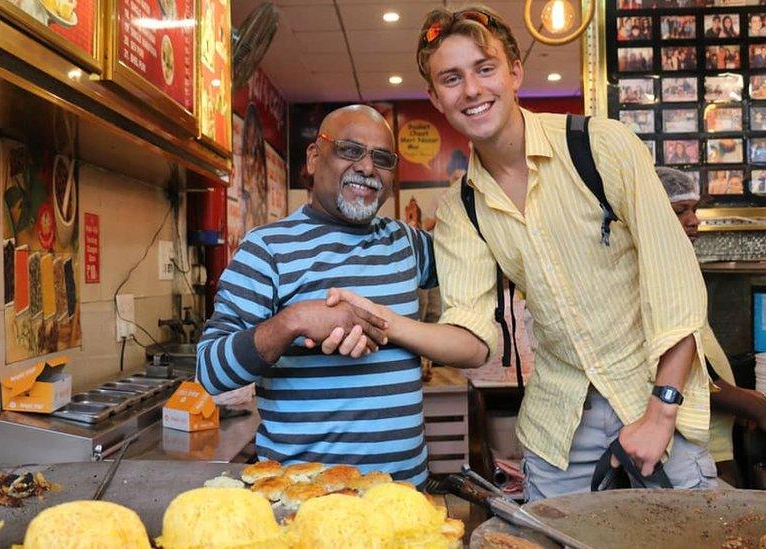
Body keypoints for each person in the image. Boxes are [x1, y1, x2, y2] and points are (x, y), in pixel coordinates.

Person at [416, 4, 716, 501]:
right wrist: (381, 322)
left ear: (514, 71)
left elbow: (678, 287)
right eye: (451, 78)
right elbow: (472, 336)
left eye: (484, 69)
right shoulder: (460, 207)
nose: (471, 89)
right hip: (557, 427)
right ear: (434, 97)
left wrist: (661, 411)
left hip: (655, 401)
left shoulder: (600, 147)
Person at [195, 105, 486, 486]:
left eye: (382, 159)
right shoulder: (267, 248)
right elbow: (209, 373)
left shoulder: (408, 243)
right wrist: (292, 321)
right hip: (302, 498)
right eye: (350, 150)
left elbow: (478, 263)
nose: (367, 167)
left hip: (401, 494)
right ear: (314, 158)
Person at [655, 167, 766, 480]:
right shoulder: (656, 278)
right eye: (680, 211)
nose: (693, 220)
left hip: (713, 439)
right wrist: (759, 410)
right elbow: (683, 374)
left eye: (695, 210)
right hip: (688, 447)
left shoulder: (679, 270)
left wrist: (745, 400)